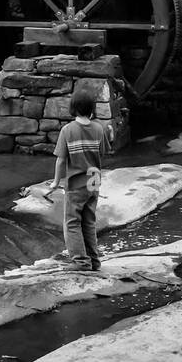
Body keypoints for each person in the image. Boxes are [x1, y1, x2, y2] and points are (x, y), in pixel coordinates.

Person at [48, 89, 107, 272]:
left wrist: (56, 182)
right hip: (94, 182)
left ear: (73, 108)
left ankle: (81, 262)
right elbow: (102, 152)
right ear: (92, 108)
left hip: (76, 184)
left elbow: (61, 160)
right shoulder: (99, 129)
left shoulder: (68, 130)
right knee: (88, 221)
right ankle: (94, 261)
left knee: (72, 222)